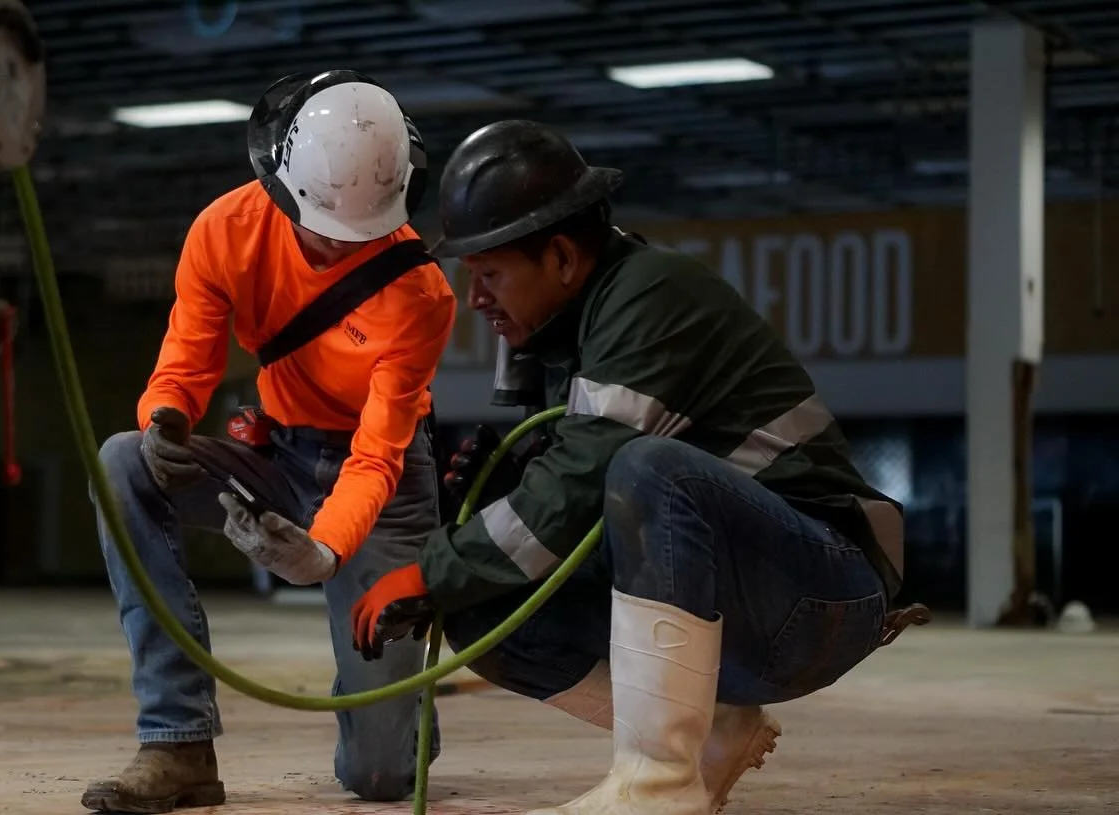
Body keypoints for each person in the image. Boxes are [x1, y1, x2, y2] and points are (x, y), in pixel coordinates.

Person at [349, 119, 927, 815]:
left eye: (491, 273)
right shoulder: (585, 326)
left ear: (562, 258)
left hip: (822, 593)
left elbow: (586, 479)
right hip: (757, 601)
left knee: (647, 469)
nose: (477, 299)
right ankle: (712, 731)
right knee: (489, 609)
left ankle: (659, 784)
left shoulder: (649, 295)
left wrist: (433, 567)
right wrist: (465, 569)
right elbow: (564, 498)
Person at [83, 69, 456, 813]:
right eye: (319, 226)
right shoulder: (225, 231)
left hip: (382, 487)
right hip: (280, 455)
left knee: (380, 780)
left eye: (360, 231)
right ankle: (178, 740)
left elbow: (377, 455)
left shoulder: (421, 296)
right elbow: (185, 363)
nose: (334, 246)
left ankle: (391, 704)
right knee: (121, 461)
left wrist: (320, 553)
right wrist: (166, 419)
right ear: (281, 187)